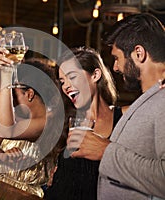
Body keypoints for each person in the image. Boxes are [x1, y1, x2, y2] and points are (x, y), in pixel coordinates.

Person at [68, 14, 165, 199]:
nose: (115, 68)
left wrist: (105, 151)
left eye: (117, 58)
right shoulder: (151, 98)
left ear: (139, 53)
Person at [45, 47, 123, 200]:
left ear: (95, 75)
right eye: (62, 81)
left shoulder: (126, 116)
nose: (66, 86)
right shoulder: (62, 118)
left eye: (72, 77)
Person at [0, 53, 64, 198]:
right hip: (1, 187)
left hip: (26, 196)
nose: (9, 97)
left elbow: (6, 129)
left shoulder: (49, 121)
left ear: (30, 94)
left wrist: (3, 79)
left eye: (13, 91)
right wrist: (3, 156)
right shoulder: (20, 117)